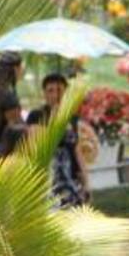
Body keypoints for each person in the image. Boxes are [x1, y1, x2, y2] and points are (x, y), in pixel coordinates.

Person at [27, 73, 90, 207]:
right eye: (50, 90)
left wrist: (86, 182)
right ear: (44, 93)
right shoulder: (36, 116)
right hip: (49, 179)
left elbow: (77, 151)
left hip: (71, 179)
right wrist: (54, 119)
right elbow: (37, 145)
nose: (55, 95)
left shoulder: (71, 118)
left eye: (60, 90)